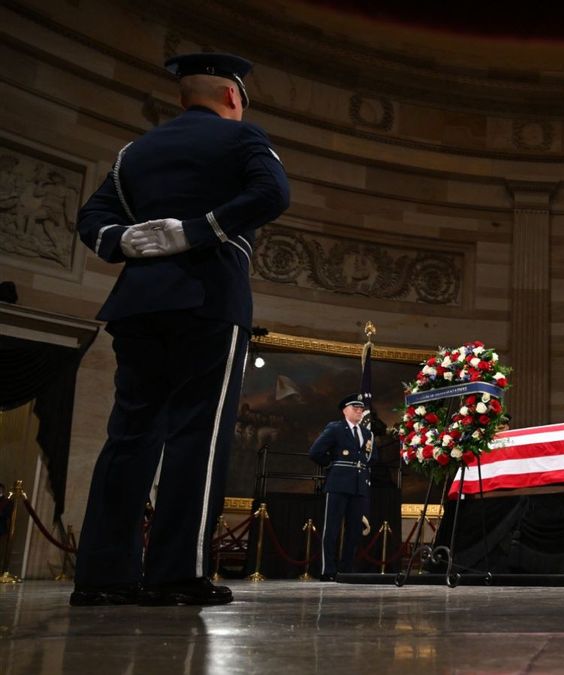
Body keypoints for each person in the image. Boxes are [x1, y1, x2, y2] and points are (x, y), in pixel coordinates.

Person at [71, 53, 289, 606]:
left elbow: (91, 218)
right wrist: (197, 231)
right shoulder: (243, 139)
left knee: (129, 438)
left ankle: (102, 577)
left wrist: (124, 241)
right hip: (208, 299)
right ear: (233, 97)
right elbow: (272, 195)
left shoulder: (134, 151)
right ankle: (174, 574)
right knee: (198, 437)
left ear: (182, 97)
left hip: (138, 304)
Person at [309, 394, 375, 581]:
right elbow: (315, 452)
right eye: (355, 408)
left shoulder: (367, 433)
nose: (360, 411)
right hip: (339, 484)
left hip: (359, 485)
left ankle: (346, 569)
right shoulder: (336, 428)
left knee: (354, 530)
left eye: (361, 409)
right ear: (345, 410)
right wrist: (333, 465)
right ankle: (327, 569)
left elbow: (372, 457)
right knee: (332, 528)